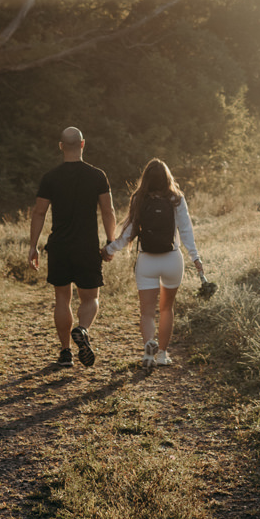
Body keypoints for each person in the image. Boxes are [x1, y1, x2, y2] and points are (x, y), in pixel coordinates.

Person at [105, 158, 207, 369]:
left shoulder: (139, 199)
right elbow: (186, 230)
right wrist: (195, 258)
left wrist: (108, 250)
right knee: (167, 308)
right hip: (172, 259)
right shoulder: (176, 198)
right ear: (167, 177)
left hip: (147, 260)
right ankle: (162, 354)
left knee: (147, 312)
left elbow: (128, 233)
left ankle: (148, 351)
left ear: (146, 179)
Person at [28, 127, 116, 368]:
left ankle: (65, 353)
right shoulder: (98, 175)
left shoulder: (50, 177)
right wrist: (111, 242)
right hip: (87, 246)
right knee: (90, 299)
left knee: (62, 299)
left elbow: (39, 212)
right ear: (83, 144)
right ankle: (83, 330)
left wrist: (33, 246)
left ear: (60, 146)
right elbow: (108, 211)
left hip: (59, 247)